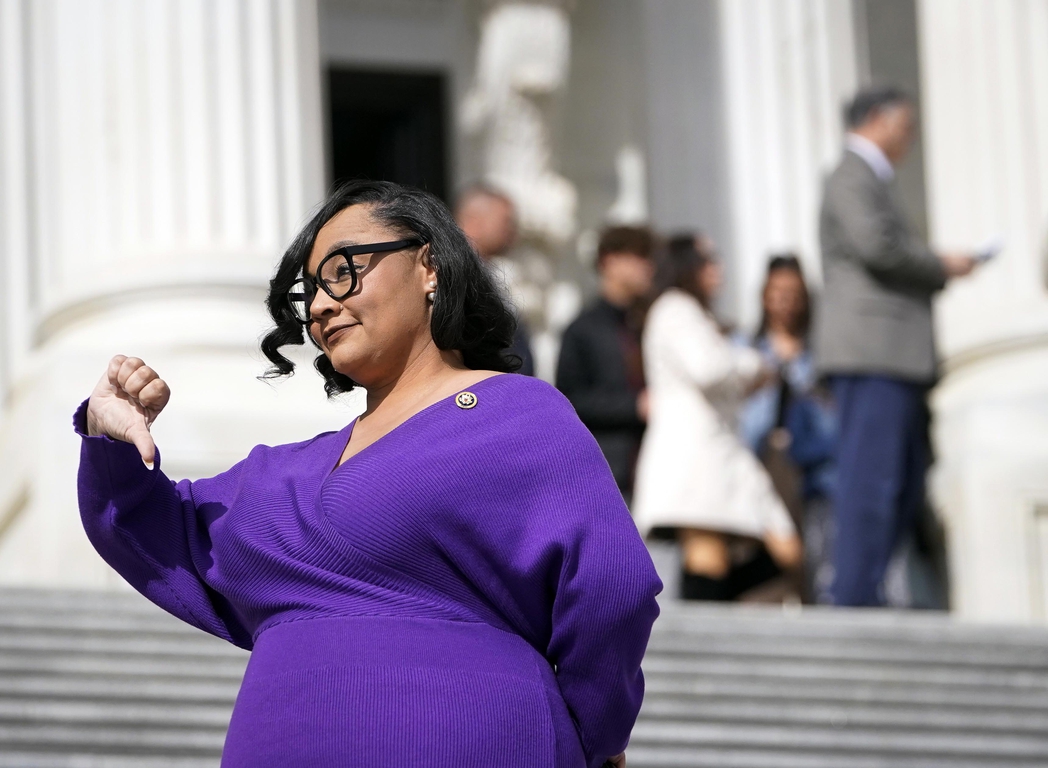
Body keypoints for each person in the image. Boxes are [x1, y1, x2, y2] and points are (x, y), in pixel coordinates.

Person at [76, 180, 661, 768]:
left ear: (429, 266)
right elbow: (156, 528)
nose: (323, 305)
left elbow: (612, 589)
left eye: (343, 270)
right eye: (311, 291)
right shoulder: (282, 471)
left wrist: (590, 737)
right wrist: (110, 436)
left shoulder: (519, 413)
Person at [815, 86, 978, 607]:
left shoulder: (869, 178)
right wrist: (940, 264)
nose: (908, 138)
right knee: (871, 480)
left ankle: (868, 587)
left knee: (900, 480)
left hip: (892, 356)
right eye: (904, 126)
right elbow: (877, 246)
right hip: (872, 352)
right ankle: (855, 595)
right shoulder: (851, 174)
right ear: (878, 121)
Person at [633, 234, 802, 601]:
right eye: (707, 260)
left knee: (783, 551)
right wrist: (755, 365)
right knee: (707, 556)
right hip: (695, 458)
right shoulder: (675, 307)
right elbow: (709, 368)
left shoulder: (691, 314)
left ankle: (709, 614)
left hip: (721, 453)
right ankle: (699, 642)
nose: (717, 269)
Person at [740, 255, 837, 603]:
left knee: (812, 548)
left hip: (808, 468)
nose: (786, 301)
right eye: (777, 292)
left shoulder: (821, 356)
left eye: (794, 293)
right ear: (764, 296)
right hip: (758, 461)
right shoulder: (746, 350)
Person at [556, 226, 654, 500]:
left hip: (654, 468)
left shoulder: (649, 322)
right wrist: (635, 406)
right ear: (609, 261)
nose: (647, 266)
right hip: (611, 471)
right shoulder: (582, 329)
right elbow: (570, 400)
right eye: (638, 256)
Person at [454, 184, 535, 375]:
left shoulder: (495, 273)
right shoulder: (450, 279)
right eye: (506, 222)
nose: (513, 231)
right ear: (475, 222)